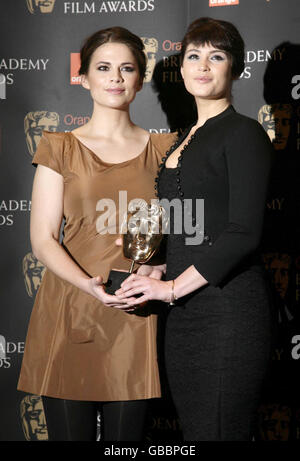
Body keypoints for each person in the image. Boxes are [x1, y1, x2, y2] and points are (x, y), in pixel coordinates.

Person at [116, 17, 274, 441]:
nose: (204, 66)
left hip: (229, 312)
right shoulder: (184, 137)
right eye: (194, 56)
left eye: (216, 56)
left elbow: (242, 232)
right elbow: (195, 226)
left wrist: (169, 289)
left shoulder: (244, 133)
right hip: (184, 315)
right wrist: (157, 269)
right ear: (182, 69)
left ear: (234, 68)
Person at [17, 26, 176, 441]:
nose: (115, 78)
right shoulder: (60, 147)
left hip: (135, 318)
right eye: (103, 68)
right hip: (70, 308)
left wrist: (159, 266)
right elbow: (43, 238)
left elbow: (182, 230)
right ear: (83, 77)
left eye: (127, 68)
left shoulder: (167, 149)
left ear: (140, 79)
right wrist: (87, 285)